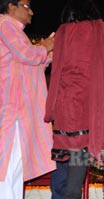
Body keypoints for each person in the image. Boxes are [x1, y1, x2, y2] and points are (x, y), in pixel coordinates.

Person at [44, 0, 104, 198]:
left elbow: (55, 65)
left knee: (63, 155)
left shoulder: (63, 30)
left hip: (65, 101)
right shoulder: (101, 28)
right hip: (89, 103)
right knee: (80, 154)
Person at [0, 0, 56, 198]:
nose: (31, 11)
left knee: (15, 169)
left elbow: (31, 64)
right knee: (6, 168)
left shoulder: (16, 31)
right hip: (10, 112)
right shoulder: (4, 24)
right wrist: (46, 46)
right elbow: (27, 55)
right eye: (26, 6)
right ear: (10, 7)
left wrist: (47, 52)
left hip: (18, 113)